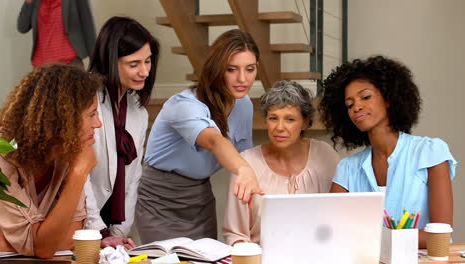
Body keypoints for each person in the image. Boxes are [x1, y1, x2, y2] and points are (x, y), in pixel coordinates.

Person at [136, 29, 263, 243]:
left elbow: (245, 156)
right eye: (232, 69)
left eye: (249, 69)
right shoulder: (184, 105)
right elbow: (214, 141)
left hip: (200, 197)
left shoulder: (244, 105)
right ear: (216, 69)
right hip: (159, 200)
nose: (243, 79)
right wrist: (243, 168)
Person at [318, 55, 457, 248]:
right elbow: (331, 231)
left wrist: (370, 238)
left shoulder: (430, 152)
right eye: (349, 104)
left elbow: (440, 234)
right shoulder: (348, 169)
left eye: (365, 97)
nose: (356, 107)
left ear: (389, 99)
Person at [0, 64, 102, 258]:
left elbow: (70, 238)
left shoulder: (68, 151)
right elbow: (45, 248)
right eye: (91, 115)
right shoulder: (1, 154)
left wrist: (12, 242)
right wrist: (78, 176)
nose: (98, 124)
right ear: (62, 119)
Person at [222, 80, 340, 245]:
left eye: (290, 119)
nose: (279, 127)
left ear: (306, 122)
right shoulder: (246, 163)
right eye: (273, 118)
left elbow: (339, 220)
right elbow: (236, 236)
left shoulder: (325, 155)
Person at [83, 16, 160, 250]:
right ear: (110, 61)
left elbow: (133, 177)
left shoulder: (138, 112)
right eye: (134, 64)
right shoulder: (86, 102)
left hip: (112, 228)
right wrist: (98, 231)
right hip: (83, 222)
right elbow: (80, 175)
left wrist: (118, 232)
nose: (145, 72)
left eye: (148, 61)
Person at [17, 0, 96, 67]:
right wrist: (28, 2)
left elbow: (88, 25)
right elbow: (22, 28)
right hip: (40, 67)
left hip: (70, 65)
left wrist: (96, 64)